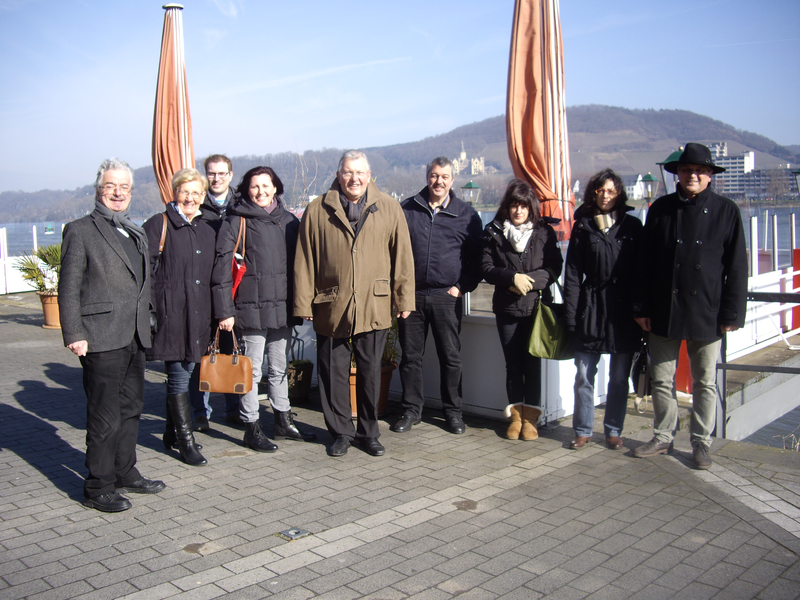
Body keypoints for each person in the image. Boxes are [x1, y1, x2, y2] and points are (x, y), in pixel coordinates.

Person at [59, 158, 165, 512]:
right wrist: (74, 332)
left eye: (124, 187)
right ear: (98, 190)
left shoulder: (132, 230)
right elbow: (69, 286)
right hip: (100, 335)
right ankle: (97, 486)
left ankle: (125, 471)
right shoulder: (81, 229)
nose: (118, 192)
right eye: (110, 186)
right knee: (103, 415)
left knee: (132, 407)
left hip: (134, 335)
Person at [632, 143, 747, 469]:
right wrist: (641, 307)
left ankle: (701, 443)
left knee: (705, 383)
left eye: (699, 170)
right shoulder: (661, 209)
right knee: (661, 378)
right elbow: (644, 264)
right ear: (678, 174)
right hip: (663, 309)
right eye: (686, 170)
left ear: (710, 175)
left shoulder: (727, 211)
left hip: (707, 311)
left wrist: (732, 313)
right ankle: (664, 436)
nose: (692, 175)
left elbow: (737, 267)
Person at [294, 150, 415, 457]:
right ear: (338, 175)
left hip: (374, 304)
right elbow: (305, 259)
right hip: (332, 302)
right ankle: (340, 433)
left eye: (360, 172)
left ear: (369, 174)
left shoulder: (388, 207)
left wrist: (404, 298)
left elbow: (402, 258)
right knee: (332, 374)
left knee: (371, 372)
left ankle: (369, 432)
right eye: (348, 172)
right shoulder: (317, 209)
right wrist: (303, 304)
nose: (354, 178)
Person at [212, 166, 315, 453]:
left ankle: (283, 421)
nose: (260, 191)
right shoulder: (236, 221)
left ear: (276, 188)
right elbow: (221, 268)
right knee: (251, 371)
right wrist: (225, 311)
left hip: (281, 307)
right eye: (255, 186)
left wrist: (303, 304)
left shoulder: (289, 221)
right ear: (246, 190)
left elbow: (301, 267)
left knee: (280, 367)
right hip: (248, 309)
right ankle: (251, 427)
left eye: (266, 186)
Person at [394, 156, 483, 435]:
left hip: (448, 295)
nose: (439, 181)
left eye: (444, 177)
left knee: (451, 357)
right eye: (434, 175)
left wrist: (460, 287)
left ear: (452, 180)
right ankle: (411, 411)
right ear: (426, 176)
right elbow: (392, 251)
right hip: (413, 295)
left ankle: (453, 412)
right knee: (410, 357)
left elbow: (477, 260)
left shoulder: (466, 214)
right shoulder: (407, 208)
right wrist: (399, 292)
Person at [563, 169, 643, 450]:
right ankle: (583, 430)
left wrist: (641, 310)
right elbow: (572, 275)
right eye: (601, 191)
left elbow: (642, 273)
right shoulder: (583, 228)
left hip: (623, 313)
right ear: (593, 194)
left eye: (611, 191)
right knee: (584, 375)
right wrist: (571, 318)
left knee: (620, 378)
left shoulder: (632, 227)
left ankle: (613, 430)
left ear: (619, 194)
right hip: (591, 309)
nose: (606, 196)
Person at [143, 168, 216, 467]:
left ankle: (169, 432)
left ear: (202, 197)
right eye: (185, 191)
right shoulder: (157, 225)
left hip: (199, 315)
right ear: (174, 193)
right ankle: (186, 441)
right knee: (178, 375)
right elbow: (144, 273)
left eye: (196, 193)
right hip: (170, 314)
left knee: (187, 370)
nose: (190, 198)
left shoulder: (207, 229)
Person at [481, 178, 562, 441]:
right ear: (507, 207)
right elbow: (486, 267)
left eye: (523, 206)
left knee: (532, 364)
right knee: (512, 365)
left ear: (531, 208)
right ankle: (515, 417)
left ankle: (531, 419)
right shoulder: (493, 231)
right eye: (514, 205)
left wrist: (529, 283)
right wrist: (510, 278)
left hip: (535, 309)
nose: (518, 211)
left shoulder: (544, 233)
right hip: (506, 309)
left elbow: (554, 267)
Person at [195, 154, 242, 430]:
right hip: (201, 286)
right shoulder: (196, 205)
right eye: (212, 173)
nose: (216, 178)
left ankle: (234, 408)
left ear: (231, 175)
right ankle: (200, 410)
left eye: (222, 173)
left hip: (232, 286)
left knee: (231, 349)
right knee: (202, 350)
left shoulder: (240, 205)